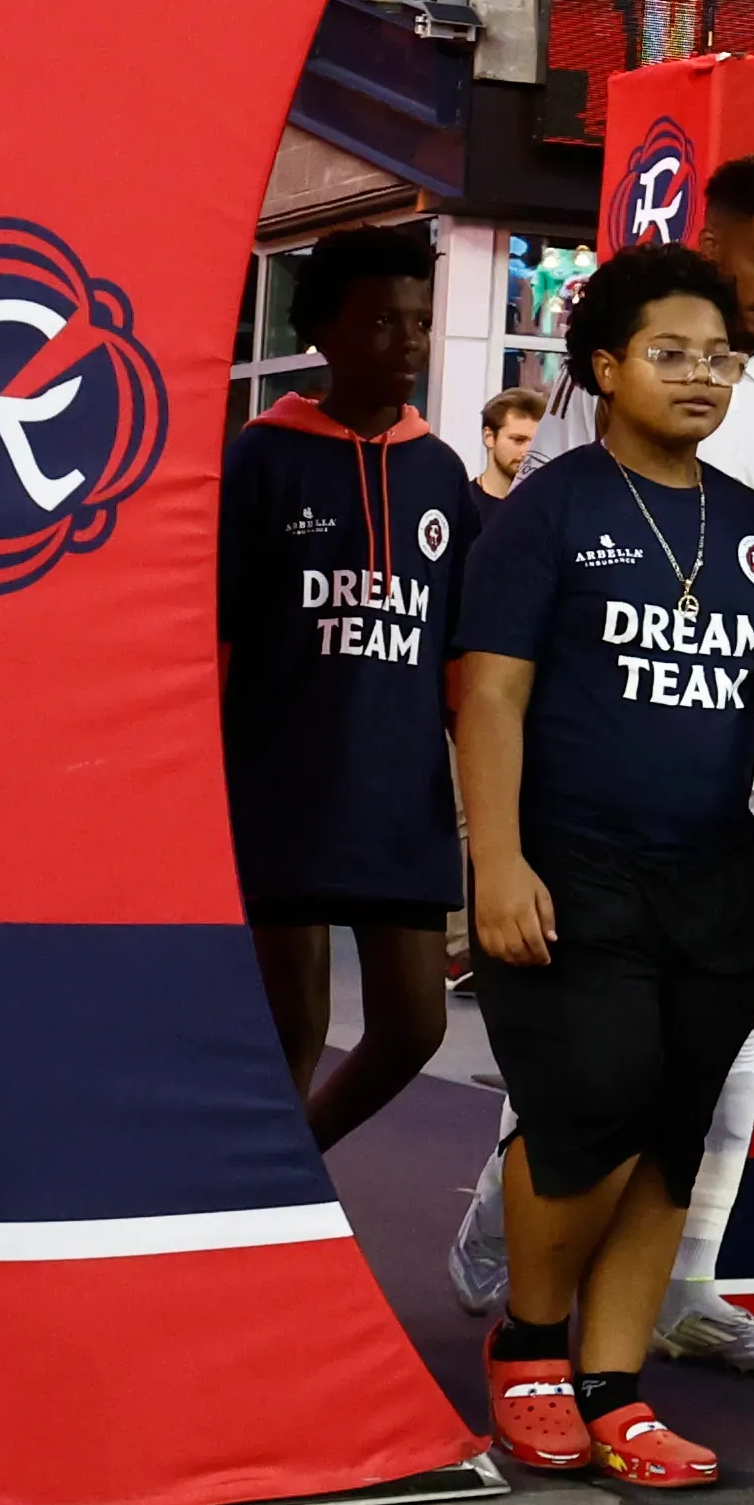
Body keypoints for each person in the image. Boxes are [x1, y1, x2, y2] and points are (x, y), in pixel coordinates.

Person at [456, 152, 754, 1379]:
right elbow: (489, 692)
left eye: (716, 358)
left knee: (679, 1121)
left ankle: (620, 1377)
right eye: (671, 354)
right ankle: (529, 1339)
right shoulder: (552, 504)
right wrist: (497, 859)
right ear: (608, 367)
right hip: (574, 859)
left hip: (717, 864)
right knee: (592, 1107)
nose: (701, 374)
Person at [217, 223, 480, 1151]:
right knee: (290, 1030)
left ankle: (286, 1174)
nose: (406, 342)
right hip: (282, 787)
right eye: (379, 322)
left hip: (402, 796)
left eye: (419, 322)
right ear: (320, 331)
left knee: (414, 1027)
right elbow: (216, 633)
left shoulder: (440, 471)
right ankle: (269, 1202)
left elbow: (461, 657)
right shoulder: (262, 456)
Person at [472, 386, 543, 512]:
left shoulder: (551, 511)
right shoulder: (462, 505)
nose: (528, 451)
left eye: (536, 442)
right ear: (489, 437)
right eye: (518, 440)